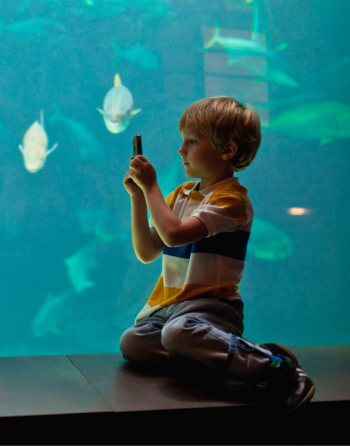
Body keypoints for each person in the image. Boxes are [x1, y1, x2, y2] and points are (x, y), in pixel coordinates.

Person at [119, 96, 315, 412]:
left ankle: (276, 368)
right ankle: (227, 358)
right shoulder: (180, 195)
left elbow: (174, 234)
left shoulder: (232, 201)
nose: (181, 150)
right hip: (171, 307)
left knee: (179, 333)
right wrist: (138, 198)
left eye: (192, 142)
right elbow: (147, 252)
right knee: (133, 342)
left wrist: (151, 186)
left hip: (213, 307)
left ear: (227, 151)